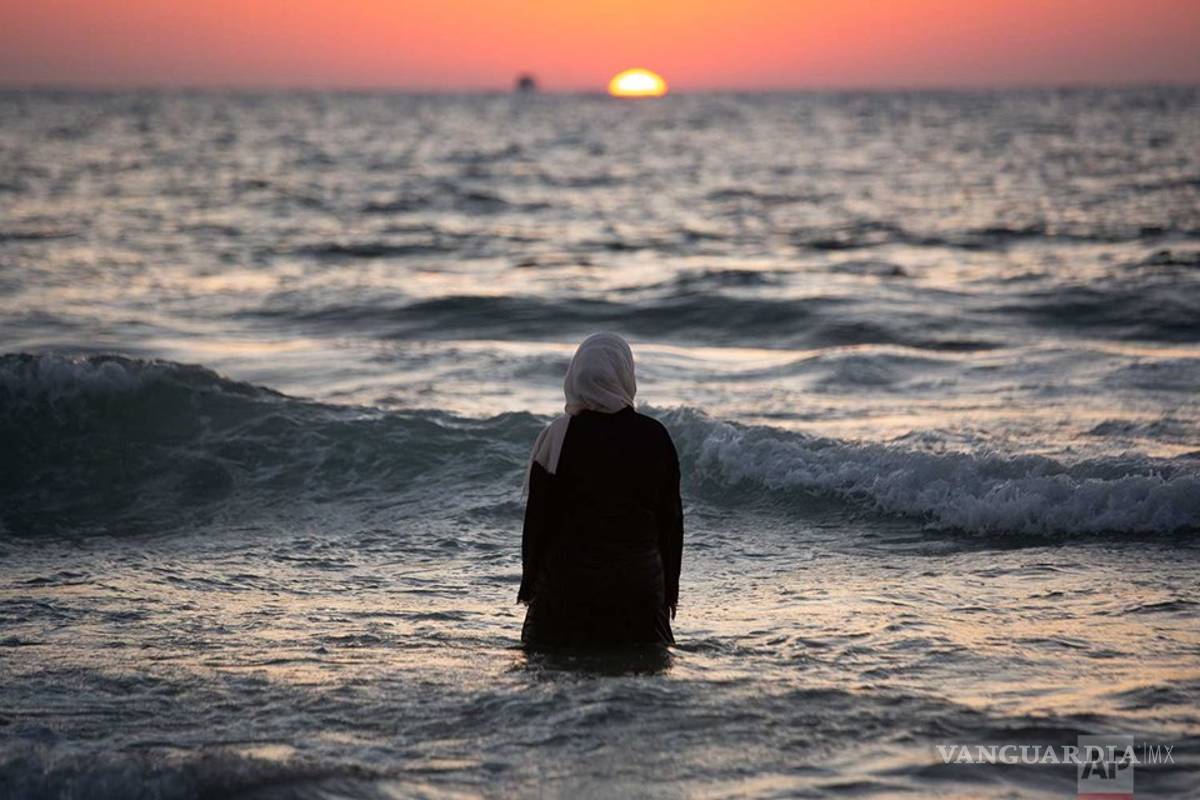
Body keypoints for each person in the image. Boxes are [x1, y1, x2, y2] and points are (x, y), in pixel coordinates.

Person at [518, 332, 683, 647]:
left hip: (565, 591)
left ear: (575, 376)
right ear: (625, 374)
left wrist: (528, 588)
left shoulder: (558, 435)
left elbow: (537, 521)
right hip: (638, 591)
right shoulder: (655, 437)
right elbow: (671, 524)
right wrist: (669, 594)